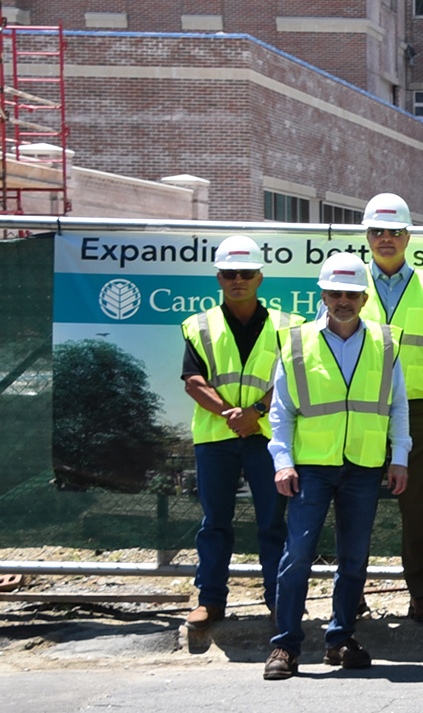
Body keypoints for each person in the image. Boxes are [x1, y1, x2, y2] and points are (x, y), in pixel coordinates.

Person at [261, 252, 411, 680]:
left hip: (363, 466)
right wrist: (283, 461)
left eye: (351, 293)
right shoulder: (296, 341)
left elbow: (398, 405)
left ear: (364, 298)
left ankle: (340, 639)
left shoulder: (384, 343)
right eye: (335, 293)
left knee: (354, 559)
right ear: (322, 295)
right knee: (297, 556)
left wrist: (398, 457)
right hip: (310, 468)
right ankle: (285, 647)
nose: (342, 301)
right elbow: (281, 411)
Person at [179, 235, 302, 629]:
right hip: (217, 439)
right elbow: (193, 381)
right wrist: (232, 415)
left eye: (245, 273)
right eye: (230, 273)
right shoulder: (199, 326)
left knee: (272, 523)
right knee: (215, 522)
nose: (238, 280)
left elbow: (293, 379)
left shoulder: (289, 326)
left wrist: (257, 412)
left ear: (259, 278)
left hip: (268, 438)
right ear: (218, 277)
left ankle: (277, 599)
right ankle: (210, 601)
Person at [357, 192, 423, 624]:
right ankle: (351, 594)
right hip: (359, 412)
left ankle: (421, 595)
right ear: (367, 236)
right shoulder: (348, 281)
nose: (385, 239)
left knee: (417, 509)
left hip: (420, 413)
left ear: (408, 236)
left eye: (394, 231)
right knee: (354, 507)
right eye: (377, 231)